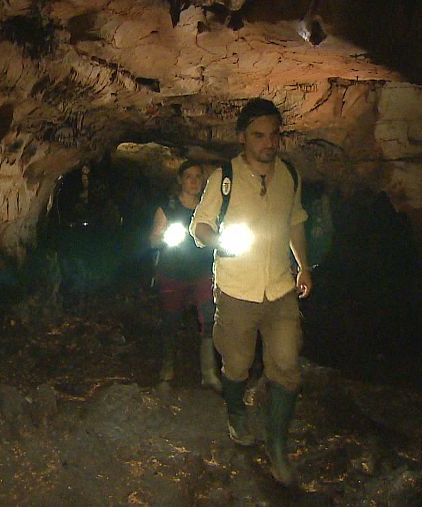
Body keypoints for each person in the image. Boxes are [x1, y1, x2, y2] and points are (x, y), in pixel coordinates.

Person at [190, 98, 312, 487]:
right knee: (238, 366)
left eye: (274, 134)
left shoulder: (289, 175)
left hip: (279, 289)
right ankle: (236, 411)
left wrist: (304, 266)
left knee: (287, 367)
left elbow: (295, 222)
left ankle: (277, 446)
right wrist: (219, 242)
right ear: (243, 138)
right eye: (259, 135)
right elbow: (200, 226)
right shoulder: (224, 177)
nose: (269, 142)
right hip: (237, 290)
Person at [149, 161, 222, 392]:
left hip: (203, 271)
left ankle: (209, 373)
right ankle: (167, 366)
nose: (193, 181)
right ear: (180, 179)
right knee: (171, 320)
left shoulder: (211, 208)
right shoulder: (168, 207)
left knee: (209, 319)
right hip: (173, 272)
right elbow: (152, 240)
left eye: (198, 177)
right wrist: (165, 238)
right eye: (188, 176)